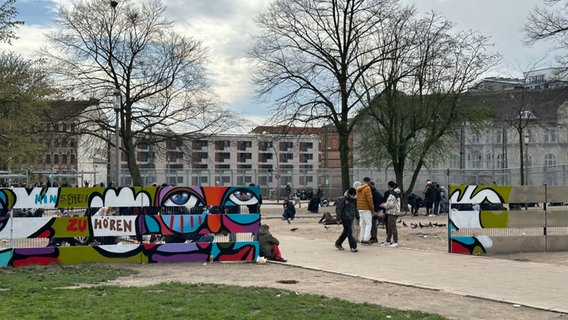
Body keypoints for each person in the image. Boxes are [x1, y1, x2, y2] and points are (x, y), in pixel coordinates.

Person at [334, 187, 359, 252]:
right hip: (344, 218)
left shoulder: (354, 200)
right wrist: (338, 219)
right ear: (349, 194)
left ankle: (338, 243)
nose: (353, 196)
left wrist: (357, 217)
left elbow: (355, 209)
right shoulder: (343, 199)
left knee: (346, 232)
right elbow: (339, 209)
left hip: (351, 218)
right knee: (349, 232)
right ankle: (353, 246)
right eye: (352, 195)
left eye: (354, 195)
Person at [380, 181, 402, 248]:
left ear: (389, 186)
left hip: (392, 212)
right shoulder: (397, 192)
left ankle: (395, 241)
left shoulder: (393, 194)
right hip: (394, 211)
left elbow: (390, 204)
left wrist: (383, 205)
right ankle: (388, 241)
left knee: (392, 227)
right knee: (390, 227)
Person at [356, 177, 374, 244]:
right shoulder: (367, 188)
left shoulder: (358, 189)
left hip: (360, 208)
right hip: (366, 208)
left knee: (362, 224)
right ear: (369, 182)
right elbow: (369, 200)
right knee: (368, 224)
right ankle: (366, 239)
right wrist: (372, 209)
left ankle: (361, 238)